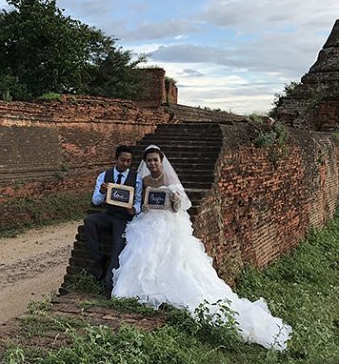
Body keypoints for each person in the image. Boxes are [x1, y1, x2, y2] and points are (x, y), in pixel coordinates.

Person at [112, 145, 292, 351]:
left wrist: (175, 200)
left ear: (161, 161)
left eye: (155, 160)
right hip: (149, 221)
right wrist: (145, 206)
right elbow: (146, 201)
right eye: (149, 160)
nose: (152, 163)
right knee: (143, 252)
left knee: (173, 259)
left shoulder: (171, 181)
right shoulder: (145, 180)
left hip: (169, 222)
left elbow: (178, 208)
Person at [83, 145, 142, 297]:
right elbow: (95, 201)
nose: (125, 164)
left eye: (129, 161)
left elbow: (138, 202)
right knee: (90, 221)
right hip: (108, 214)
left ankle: (109, 284)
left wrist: (134, 209)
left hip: (123, 218)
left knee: (117, 247)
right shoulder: (104, 176)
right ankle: (98, 258)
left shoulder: (136, 179)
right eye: (122, 160)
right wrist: (102, 192)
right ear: (116, 159)